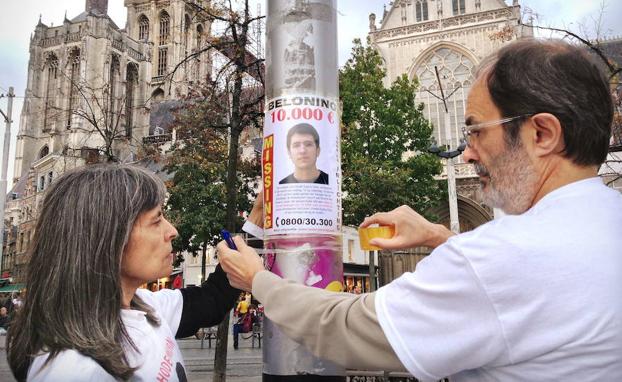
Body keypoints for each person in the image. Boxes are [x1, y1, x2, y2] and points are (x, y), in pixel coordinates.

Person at [218, 39, 622, 381]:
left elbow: (344, 331)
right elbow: (529, 281)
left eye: (477, 130)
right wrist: (439, 236)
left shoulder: (499, 258)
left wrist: (259, 280)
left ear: (542, 133)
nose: (466, 152)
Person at [7, 164, 239, 381]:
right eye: (156, 220)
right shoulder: (75, 369)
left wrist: (254, 225)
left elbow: (212, 299)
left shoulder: (141, 306)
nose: (172, 231)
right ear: (108, 239)